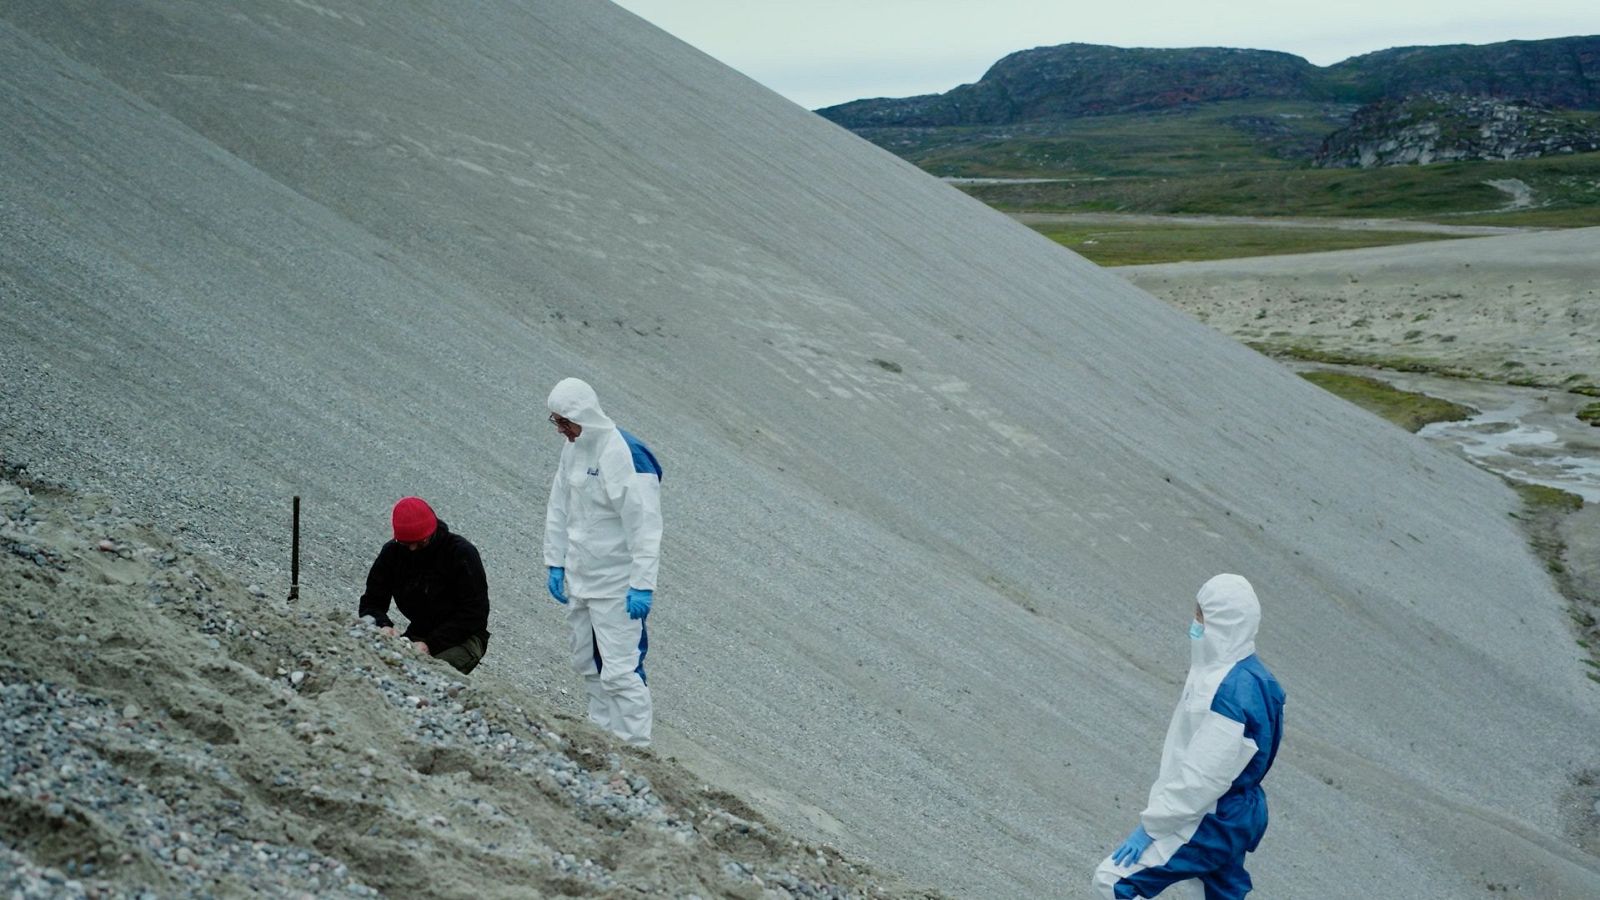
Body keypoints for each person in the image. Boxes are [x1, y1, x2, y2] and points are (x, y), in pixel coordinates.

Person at [1092, 573, 1286, 900]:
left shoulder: (1228, 691)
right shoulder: (1250, 675)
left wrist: (1152, 827)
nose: (1195, 622)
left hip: (1209, 815)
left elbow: (1203, 777)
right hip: (1235, 813)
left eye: (1201, 614)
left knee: (1113, 882)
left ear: (1221, 621)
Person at [542, 377, 663, 747]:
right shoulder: (573, 449)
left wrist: (641, 584)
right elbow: (559, 505)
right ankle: (601, 735)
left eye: (565, 422)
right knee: (587, 662)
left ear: (584, 414)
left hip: (616, 586)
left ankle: (634, 748)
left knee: (621, 671)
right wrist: (556, 561)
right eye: (556, 422)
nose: (561, 430)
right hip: (581, 578)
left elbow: (645, 526)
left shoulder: (624, 454)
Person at [358, 496, 491, 675]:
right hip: (420, 632)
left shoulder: (460, 553)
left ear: (432, 532)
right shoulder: (393, 553)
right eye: (406, 543)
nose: (412, 549)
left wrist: (430, 645)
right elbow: (372, 602)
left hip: (464, 637)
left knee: (420, 671)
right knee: (384, 663)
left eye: (420, 543)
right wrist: (382, 625)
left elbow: (476, 613)